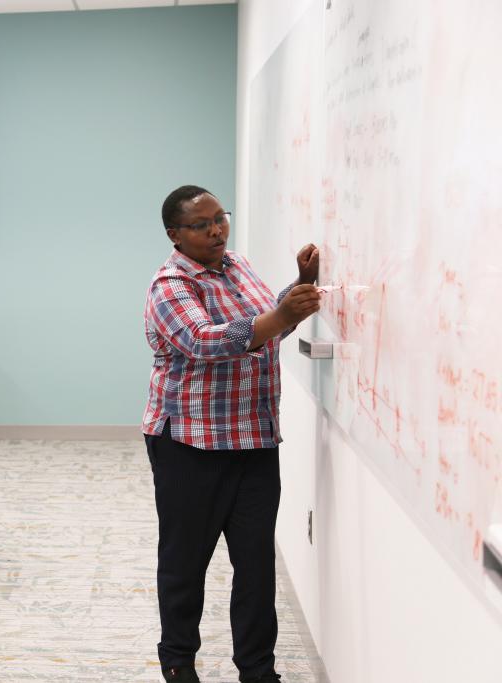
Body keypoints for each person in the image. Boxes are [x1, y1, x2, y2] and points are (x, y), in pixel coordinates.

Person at [142, 185, 320, 683]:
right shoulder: (170, 284)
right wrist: (280, 316)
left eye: (220, 218)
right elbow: (203, 342)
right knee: (185, 565)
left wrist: (295, 290)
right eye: (202, 224)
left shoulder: (237, 265)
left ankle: (258, 670)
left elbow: (263, 326)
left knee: (256, 565)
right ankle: (179, 663)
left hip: (255, 440)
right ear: (175, 235)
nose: (216, 229)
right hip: (190, 446)